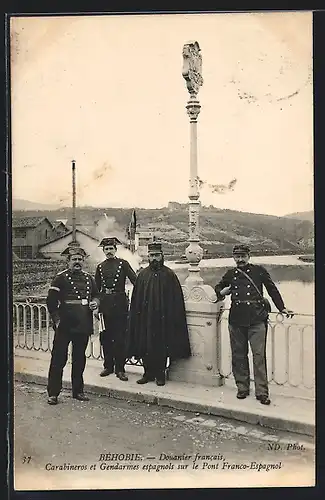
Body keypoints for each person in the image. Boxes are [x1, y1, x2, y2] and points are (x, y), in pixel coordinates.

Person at [215, 244, 294, 405]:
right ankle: (242, 388)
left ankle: (262, 392)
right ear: (233, 257)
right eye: (237, 256)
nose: (240, 259)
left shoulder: (259, 271)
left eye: (243, 256)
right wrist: (223, 292)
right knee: (238, 355)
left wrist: (282, 307)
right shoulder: (231, 274)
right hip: (236, 320)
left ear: (249, 256)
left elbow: (272, 290)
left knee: (259, 357)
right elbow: (218, 288)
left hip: (257, 319)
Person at [126, 241, 191, 386]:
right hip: (145, 318)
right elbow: (136, 299)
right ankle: (147, 373)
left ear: (162, 256)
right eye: (151, 256)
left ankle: (160, 374)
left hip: (163, 319)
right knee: (145, 345)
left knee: (161, 347)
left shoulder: (169, 275)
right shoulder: (142, 275)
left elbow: (175, 300)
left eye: (157, 255)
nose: (154, 258)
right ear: (148, 257)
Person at [46, 244, 100, 405]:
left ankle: (78, 391)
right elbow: (51, 301)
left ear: (83, 261)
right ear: (68, 261)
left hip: (83, 324)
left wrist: (95, 303)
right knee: (58, 359)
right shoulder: (60, 278)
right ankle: (53, 393)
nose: (77, 262)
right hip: (65, 325)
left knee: (79, 359)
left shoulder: (89, 278)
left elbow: (97, 295)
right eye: (74, 259)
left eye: (80, 259)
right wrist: (57, 320)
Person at [94, 237, 137, 381]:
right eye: (106, 249)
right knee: (105, 336)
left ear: (115, 250)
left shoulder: (123, 264)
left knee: (120, 337)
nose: (109, 251)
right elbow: (96, 290)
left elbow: (135, 280)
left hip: (120, 304)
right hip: (105, 305)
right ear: (104, 251)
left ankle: (120, 368)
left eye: (111, 249)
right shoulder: (100, 267)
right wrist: (96, 306)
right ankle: (108, 366)